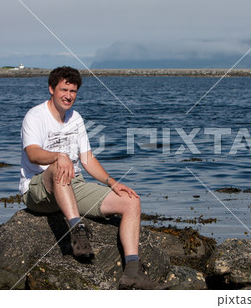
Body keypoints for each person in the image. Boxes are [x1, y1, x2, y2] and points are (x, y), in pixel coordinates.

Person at [19, 66, 160, 289]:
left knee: (131, 201)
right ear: (51, 89)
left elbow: (87, 159)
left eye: (73, 91)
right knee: (59, 166)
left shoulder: (76, 118)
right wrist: (59, 157)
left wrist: (112, 182)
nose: (68, 96)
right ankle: (78, 231)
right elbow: (33, 153)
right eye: (64, 89)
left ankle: (132, 272)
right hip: (39, 189)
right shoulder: (35, 116)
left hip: (72, 186)